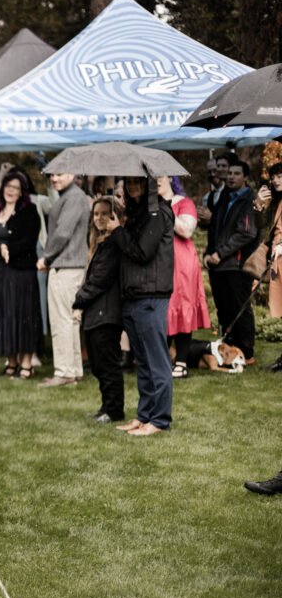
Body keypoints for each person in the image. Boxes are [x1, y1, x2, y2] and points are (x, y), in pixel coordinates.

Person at [109, 177, 175, 436]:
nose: (133, 185)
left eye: (139, 180)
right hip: (134, 296)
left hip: (151, 296)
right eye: (129, 182)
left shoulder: (158, 212)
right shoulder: (138, 213)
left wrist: (117, 230)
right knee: (144, 363)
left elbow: (142, 252)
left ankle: (159, 420)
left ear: (149, 182)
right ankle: (144, 416)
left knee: (157, 362)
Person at [72, 196, 125, 423]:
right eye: (96, 214)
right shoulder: (100, 243)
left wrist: (77, 300)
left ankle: (114, 411)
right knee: (97, 364)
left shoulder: (114, 243)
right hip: (96, 312)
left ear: (115, 216)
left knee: (107, 363)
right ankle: (106, 406)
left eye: (105, 213)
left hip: (107, 312)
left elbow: (100, 280)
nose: (100, 218)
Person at [36, 172, 89, 387]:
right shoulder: (71, 196)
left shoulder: (74, 197)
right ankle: (73, 370)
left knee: (62, 320)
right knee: (70, 320)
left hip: (66, 266)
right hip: (70, 265)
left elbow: (62, 233)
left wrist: (46, 258)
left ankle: (65, 372)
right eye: (52, 175)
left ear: (72, 173)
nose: (54, 179)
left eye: (59, 174)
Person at [0, 171, 43, 379]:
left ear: (22, 192)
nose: (11, 190)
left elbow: (30, 239)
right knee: (5, 316)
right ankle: (11, 362)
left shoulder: (29, 211)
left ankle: (27, 363)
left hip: (21, 273)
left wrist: (7, 248)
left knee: (23, 316)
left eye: (16, 187)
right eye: (8, 186)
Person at [204, 160, 259, 362]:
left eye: (236, 173)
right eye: (229, 173)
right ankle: (229, 350)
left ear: (245, 177)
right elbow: (214, 229)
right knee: (224, 309)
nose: (231, 176)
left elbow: (246, 233)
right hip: (218, 266)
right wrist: (208, 254)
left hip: (237, 265)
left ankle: (246, 352)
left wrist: (220, 253)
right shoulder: (223, 198)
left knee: (240, 309)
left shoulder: (250, 200)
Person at [157, 176, 211, 378]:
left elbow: (186, 230)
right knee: (162, 311)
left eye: (160, 175)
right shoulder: (148, 204)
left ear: (170, 178)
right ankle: (162, 361)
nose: (156, 180)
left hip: (181, 265)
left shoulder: (184, 203)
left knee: (181, 308)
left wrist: (164, 208)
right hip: (158, 263)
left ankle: (181, 362)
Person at [256, 163, 282, 372]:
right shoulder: (275, 202)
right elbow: (261, 228)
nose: (276, 180)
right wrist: (259, 204)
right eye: (274, 177)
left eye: (281, 176)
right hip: (277, 260)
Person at [198, 153, 234, 229]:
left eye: (215, 170)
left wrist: (212, 218)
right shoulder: (207, 198)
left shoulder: (232, 193)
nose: (213, 174)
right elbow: (205, 226)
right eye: (209, 172)